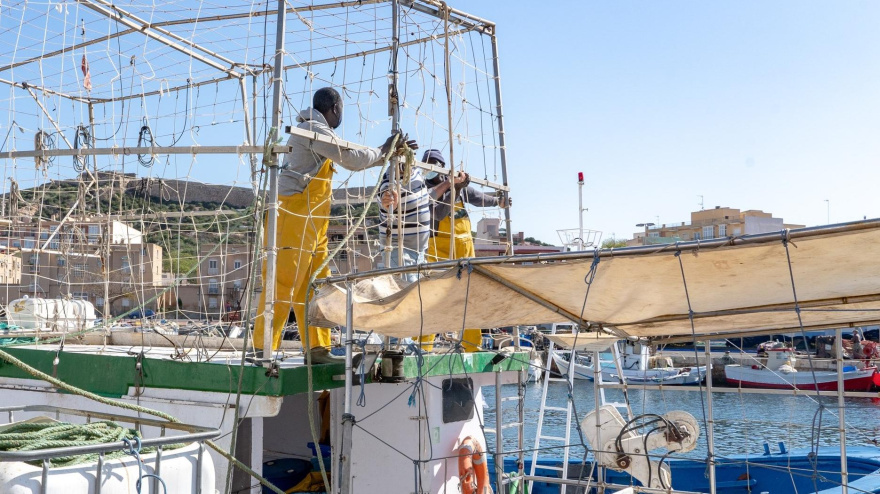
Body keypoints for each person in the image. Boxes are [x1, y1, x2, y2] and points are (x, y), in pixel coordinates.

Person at [253, 87, 416, 364]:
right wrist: (383, 149)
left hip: (312, 223)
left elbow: (352, 156)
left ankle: (317, 349)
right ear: (335, 108)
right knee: (283, 281)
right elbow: (350, 158)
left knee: (316, 286)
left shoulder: (318, 132)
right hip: (293, 217)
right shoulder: (312, 129)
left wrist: (387, 153)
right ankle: (263, 348)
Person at [418, 149, 511, 352]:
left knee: (470, 297)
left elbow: (478, 197)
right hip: (438, 250)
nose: (431, 167)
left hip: (465, 248)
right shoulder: (424, 191)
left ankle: (472, 346)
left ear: (442, 167)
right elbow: (439, 213)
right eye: (427, 164)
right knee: (432, 298)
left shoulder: (458, 184)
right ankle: (423, 347)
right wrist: (455, 188)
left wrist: (498, 202)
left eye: (435, 163)